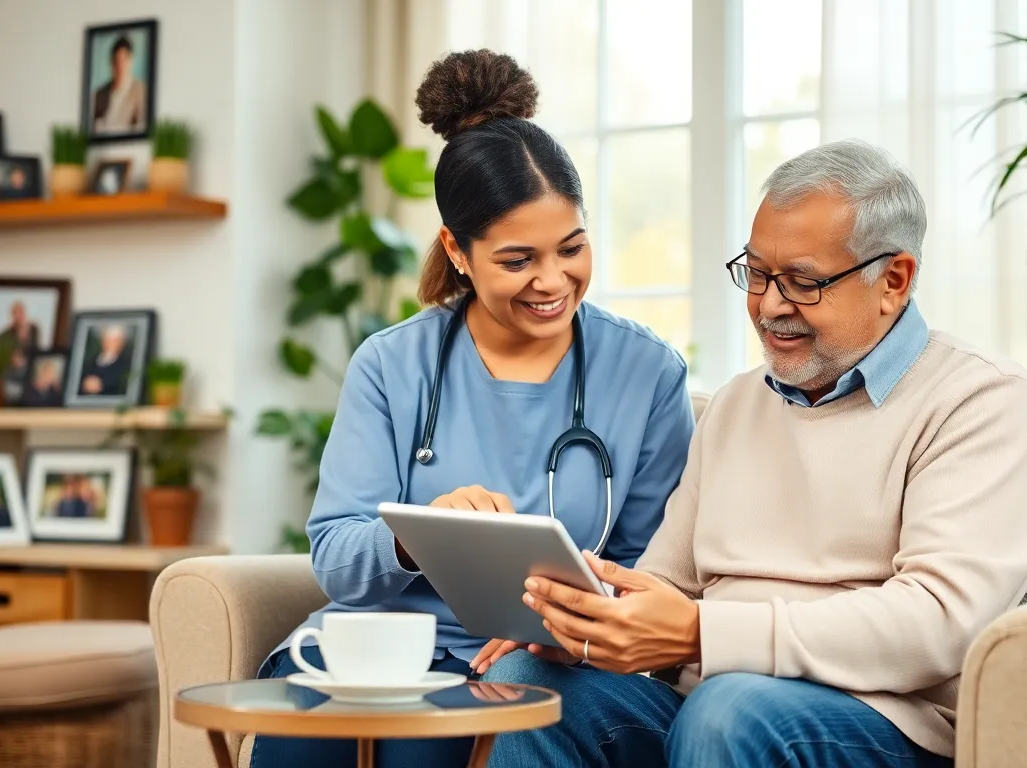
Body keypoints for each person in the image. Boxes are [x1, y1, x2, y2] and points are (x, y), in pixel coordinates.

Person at [479, 139, 1027, 768]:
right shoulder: (737, 405)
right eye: (756, 274)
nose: (769, 305)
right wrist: (583, 624)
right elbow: (667, 584)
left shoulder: (978, 400)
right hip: (709, 708)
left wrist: (704, 633)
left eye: (804, 282)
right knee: (529, 680)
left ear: (894, 280)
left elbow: (938, 621)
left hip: (877, 720)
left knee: (727, 710)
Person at [249, 49, 695, 768]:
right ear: (457, 251)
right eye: (517, 261)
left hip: (540, 660)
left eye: (572, 248)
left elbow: (657, 570)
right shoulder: (392, 365)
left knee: (424, 752)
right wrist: (413, 537)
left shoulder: (647, 373)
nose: (553, 281)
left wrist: (571, 623)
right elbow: (335, 556)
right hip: (381, 647)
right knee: (307, 744)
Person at [92, 34, 147, 134]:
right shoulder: (99, 94)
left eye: (124, 60)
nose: (120, 66)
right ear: (111, 63)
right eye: (117, 61)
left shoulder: (141, 91)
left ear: (131, 61)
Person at [80, 323, 133, 395]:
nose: (110, 344)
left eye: (115, 341)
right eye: (108, 339)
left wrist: (102, 384)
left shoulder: (126, 365)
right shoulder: (89, 362)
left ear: (122, 343)